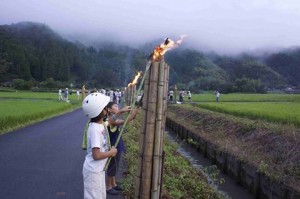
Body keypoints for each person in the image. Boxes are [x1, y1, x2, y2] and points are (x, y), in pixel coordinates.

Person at [82, 93, 118, 199]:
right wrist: (110, 153)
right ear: (101, 111)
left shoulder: (101, 124)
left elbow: (112, 121)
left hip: (98, 170)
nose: (107, 109)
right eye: (106, 107)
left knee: (100, 195)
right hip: (94, 171)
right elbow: (96, 155)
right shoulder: (95, 130)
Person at [106, 102, 139, 195]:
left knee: (115, 165)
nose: (118, 107)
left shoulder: (114, 119)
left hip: (117, 146)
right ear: (109, 109)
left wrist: (133, 114)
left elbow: (124, 122)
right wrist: (121, 111)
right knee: (112, 166)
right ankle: (108, 186)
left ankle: (113, 184)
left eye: (118, 106)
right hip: (113, 147)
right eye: (115, 106)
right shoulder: (108, 120)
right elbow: (112, 121)